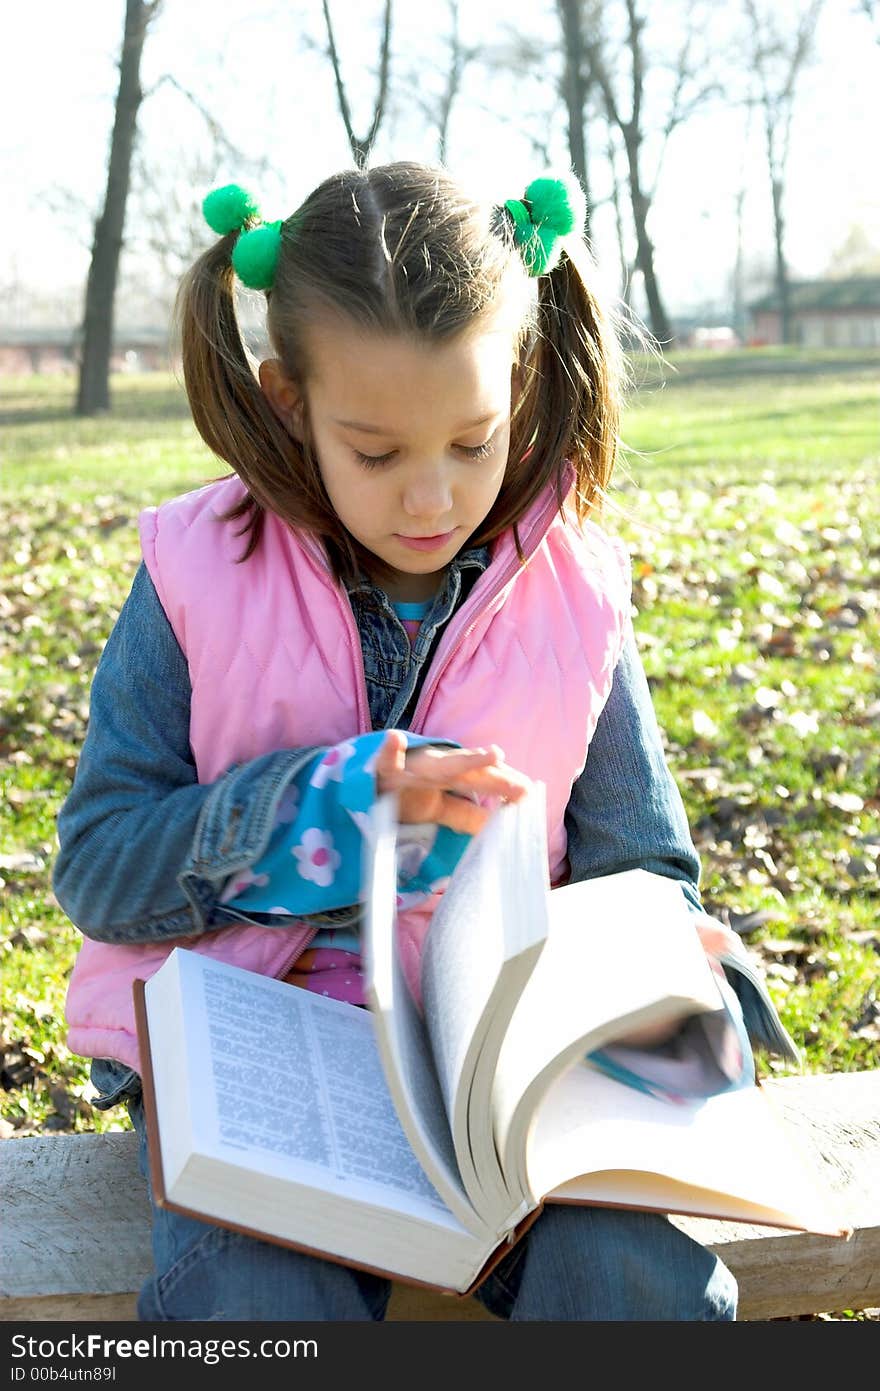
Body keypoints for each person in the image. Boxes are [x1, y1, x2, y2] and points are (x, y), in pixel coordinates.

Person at [54, 162, 789, 1322]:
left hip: (500, 1095)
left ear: (521, 378)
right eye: (378, 451)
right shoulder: (195, 576)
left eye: (471, 439)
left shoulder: (575, 591)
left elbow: (640, 867)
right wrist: (311, 817)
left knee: (628, 1276)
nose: (430, 498)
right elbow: (99, 865)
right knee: (257, 1290)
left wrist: (689, 978)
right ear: (288, 399)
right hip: (266, 1073)